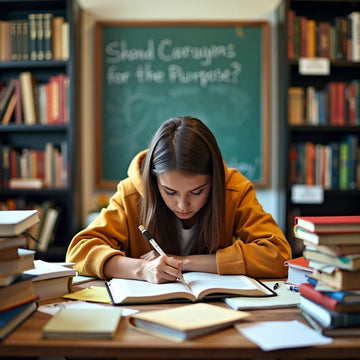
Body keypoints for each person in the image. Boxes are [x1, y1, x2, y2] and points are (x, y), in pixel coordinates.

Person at [66, 116, 291, 283]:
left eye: (197, 191)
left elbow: (278, 255)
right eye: (170, 192)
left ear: (214, 180)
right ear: (154, 182)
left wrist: (183, 261)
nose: (183, 205)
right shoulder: (131, 193)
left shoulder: (234, 189)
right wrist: (141, 269)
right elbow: (78, 251)